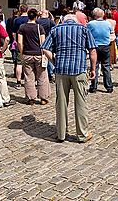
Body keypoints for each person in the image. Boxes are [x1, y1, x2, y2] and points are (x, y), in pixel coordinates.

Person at [41, 12, 97, 143]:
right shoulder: (83, 29)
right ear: (75, 20)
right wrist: (93, 69)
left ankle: (61, 134)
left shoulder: (56, 29)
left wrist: (55, 61)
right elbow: (93, 51)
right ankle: (82, 134)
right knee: (81, 102)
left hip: (61, 71)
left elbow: (44, 48)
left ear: (63, 20)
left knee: (61, 103)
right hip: (79, 70)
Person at [17, 9, 50, 104]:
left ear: (28, 16)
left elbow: (19, 42)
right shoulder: (40, 28)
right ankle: (43, 98)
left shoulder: (22, 27)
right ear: (36, 17)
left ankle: (31, 98)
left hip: (27, 54)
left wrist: (22, 52)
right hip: (39, 54)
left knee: (29, 77)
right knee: (42, 76)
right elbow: (43, 42)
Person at [85, 8, 115, 93]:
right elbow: (112, 34)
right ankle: (109, 86)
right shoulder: (108, 24)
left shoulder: (90, 24)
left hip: (94, 46)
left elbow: (86, 34)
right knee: (106, 67)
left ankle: (93, 86)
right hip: (105, 46)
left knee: (94, 66)